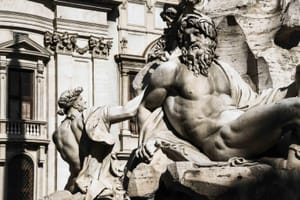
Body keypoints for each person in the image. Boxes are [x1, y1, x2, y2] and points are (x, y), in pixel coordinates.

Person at [134, 12, 300, 166]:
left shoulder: (224, 69)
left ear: (210, 38)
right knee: (296, 108)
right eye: (187, 35)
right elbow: (145, 108)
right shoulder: (171, 70)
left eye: (197, 33)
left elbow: (253, 101)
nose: (192, 39)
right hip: (220, 141)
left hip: (245, 130)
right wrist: (148, 141)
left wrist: (293, 87)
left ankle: (289, 163)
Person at [53, 87, 144, 200]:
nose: (85, 102)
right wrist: (148, 89)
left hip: (74, 186)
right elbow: (129, 111)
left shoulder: (57, 133)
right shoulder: (89, 117)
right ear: (75, 105)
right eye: (81, 99)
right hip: (95, 184)